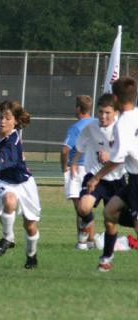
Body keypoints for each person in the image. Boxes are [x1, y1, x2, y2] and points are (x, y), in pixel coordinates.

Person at [86, 76, 138, 272]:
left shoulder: (122, 124)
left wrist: (96, 177)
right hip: (132, 179)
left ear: (115, 99)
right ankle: (106, 258)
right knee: (110, 212)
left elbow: (116, 159)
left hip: (137, 179)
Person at [0, 100, 41, 269]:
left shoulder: (12, 141)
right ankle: (7, 238)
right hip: (5, 182)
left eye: (7, 118)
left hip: (24, 183)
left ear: (15, 121)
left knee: (30, 226)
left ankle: (31, 256)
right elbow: (2, 171)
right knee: (9, 200)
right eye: (1, 117)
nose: (2, 121)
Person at [70, 94, 125, 250]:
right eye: (100, 112)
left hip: (117, 179)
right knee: (83, 207)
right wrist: (74, 162)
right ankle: (85, 226)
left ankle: (108, 252)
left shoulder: (121, 129)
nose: (103, 116)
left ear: (115, 113)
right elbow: (80, 146)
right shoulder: (91, 127)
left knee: (111, 221)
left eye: (107, 112)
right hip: (95, 176)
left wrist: (111, 156)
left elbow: (125, 156)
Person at [60, 95, 94, 249]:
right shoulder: (96, 123)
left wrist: (64, 167)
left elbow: (65, 150)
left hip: (78, 168)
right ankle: (91, 241)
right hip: (93, 168)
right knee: (87, 208)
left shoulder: (76, 127)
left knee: (79, 208)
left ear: (79, 109)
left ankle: (82, 242)